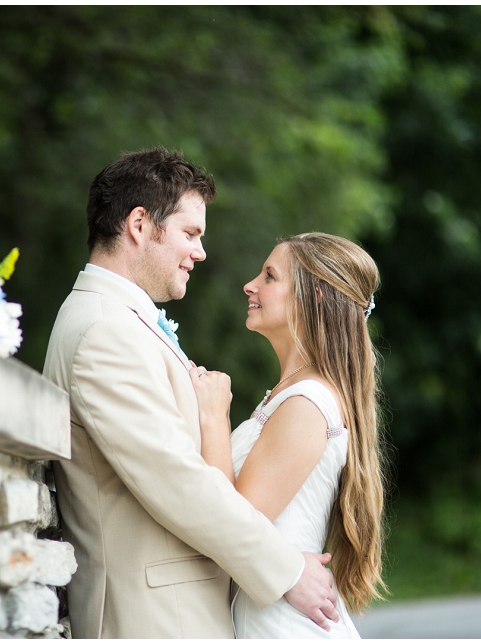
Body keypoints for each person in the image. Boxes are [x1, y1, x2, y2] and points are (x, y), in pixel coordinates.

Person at [43, 148, 339, 639]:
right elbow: (178, 480)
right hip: (154, 618)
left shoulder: (119, 321)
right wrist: (287, 570)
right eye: (190, 233)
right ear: (139, 224)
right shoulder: (104, 332)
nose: (200, 252)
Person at [191, 232, 388, 638]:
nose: (251, 285)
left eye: (269, 276)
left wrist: (214, 417)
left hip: (282, 625)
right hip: (270, 608)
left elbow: (233, 520)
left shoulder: (308, 403)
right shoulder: (293, 395)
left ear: (312, 298)